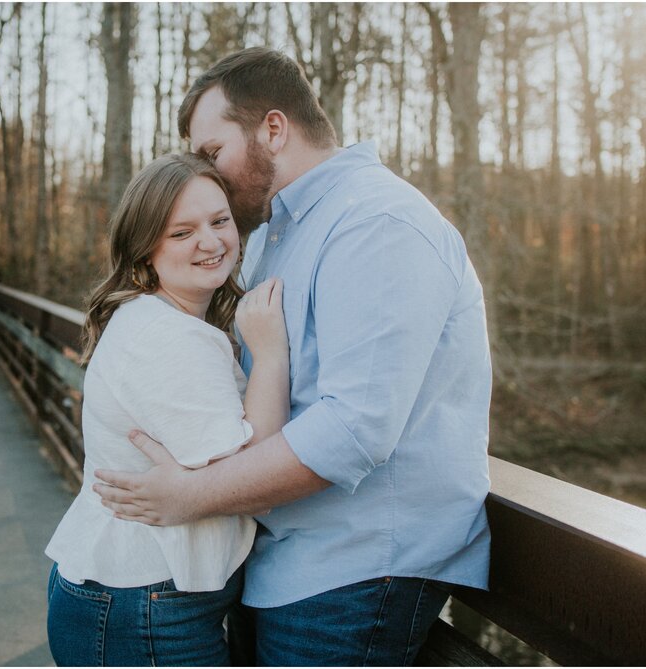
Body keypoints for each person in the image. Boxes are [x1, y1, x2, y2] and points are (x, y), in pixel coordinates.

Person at [94, 47, 493, 666]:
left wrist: (189, 497)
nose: (210, 176)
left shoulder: (377, 223)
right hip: (282, 566)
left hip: (356, 572)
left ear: (273, 129)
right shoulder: (275, 236)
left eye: (212, 153)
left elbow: (353, 429)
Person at [45, 153, 290, 666]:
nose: (211, 241)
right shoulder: (164, 336)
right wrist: (270, 356)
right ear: (146, 250)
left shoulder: (162, 322)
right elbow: (254, 478)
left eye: (220, 221)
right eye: (182, 233)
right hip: (144, 608)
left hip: (141, 600)